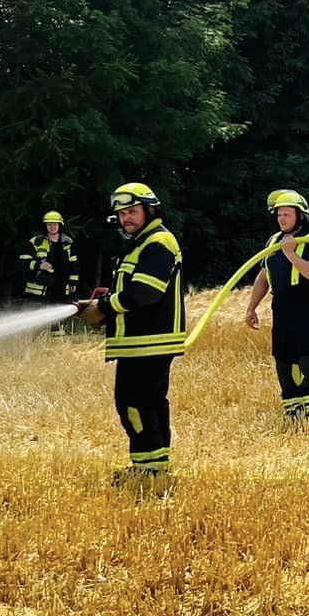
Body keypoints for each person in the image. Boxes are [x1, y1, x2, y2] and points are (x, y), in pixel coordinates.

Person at [72, 182, 185, 493]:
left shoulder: (157, 243)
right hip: (141, 342)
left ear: (150, 210)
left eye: (132, 212)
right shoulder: (140, 245)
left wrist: (105, 307)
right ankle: (155, 466)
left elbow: (146, 292)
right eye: (122, 214)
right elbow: (133, 291)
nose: (126, 218)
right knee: (149, 403)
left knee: (133, 404)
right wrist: (107, 298)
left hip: (148, 341)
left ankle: (146, 470)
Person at [244, 189, 309, 421]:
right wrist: (252, 307)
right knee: (284, 359)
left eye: (286, 214)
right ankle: (294, 413)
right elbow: (264, 275)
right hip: (281, 304)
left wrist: (291, 254)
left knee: (308, 359)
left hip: (307, 303)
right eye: (279, 215)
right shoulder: (273, 241)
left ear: (300, 216)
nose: (281, 219)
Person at [19, 211, 80, 303]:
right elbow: (23, 261)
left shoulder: (67, 242)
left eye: (55, 224)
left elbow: (74, 264)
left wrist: (74, 282)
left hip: (62, 289)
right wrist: (39, 265)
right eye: (49, 225)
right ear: (45, 226)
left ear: (60, 225)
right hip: (40, 291)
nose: (52, 227)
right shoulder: (36, 241)